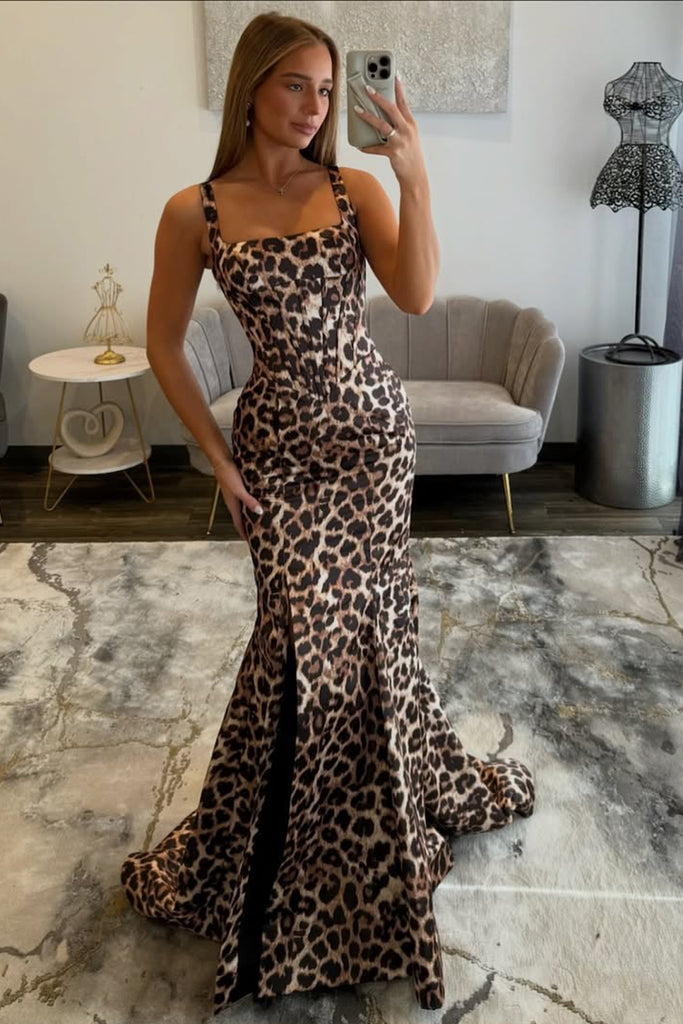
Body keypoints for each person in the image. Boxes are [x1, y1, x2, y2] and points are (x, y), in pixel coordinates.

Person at [120, 11, 536, 1016]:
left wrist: (414, 175)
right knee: (296, 637)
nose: (313, 107)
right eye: (293, 86)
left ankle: (373, 831)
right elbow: (163, 342)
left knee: (371, 636)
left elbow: (417, 294)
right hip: (276, 457)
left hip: (372, 445)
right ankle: (276, 846)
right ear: (250, 87)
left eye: (324, 88)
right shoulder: (192, 211)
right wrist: (215, 455)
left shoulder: (354, 189)